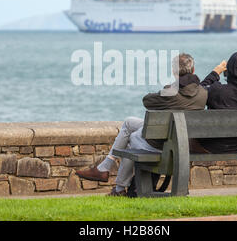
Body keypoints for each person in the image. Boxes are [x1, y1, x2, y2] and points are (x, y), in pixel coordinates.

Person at [76, 53, 223, 196]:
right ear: (193, 70)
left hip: (162, 144)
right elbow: (200, 87)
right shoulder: (203, 93)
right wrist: (216, 72)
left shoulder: (171, 92)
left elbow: (147, 101)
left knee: (132, 138)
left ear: (173, 71)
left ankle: (119, 188)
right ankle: (105, 167)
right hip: (181, 141)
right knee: (128, 123)